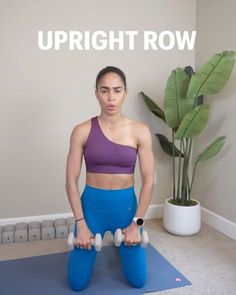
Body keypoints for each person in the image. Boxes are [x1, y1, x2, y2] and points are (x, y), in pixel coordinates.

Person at [65, 66, 155, 291]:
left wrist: (137, 224)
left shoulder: (140, 131)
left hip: (126, 211)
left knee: (138, 281)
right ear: (96, 93)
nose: (111, 97)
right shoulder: (81, 130)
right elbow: (70, 181)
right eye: (105, 90)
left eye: (117, 90)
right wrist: (81, 224)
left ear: (125, 92)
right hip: (91, 210)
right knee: (76, 284)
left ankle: (124, 243)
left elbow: (149, 181)